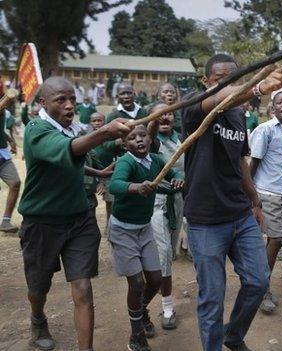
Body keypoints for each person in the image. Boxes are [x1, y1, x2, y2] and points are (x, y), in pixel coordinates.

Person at [180, 54, 282, 351]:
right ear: (206, 82)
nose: (227, 85)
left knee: (258, 281)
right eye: (219, 80)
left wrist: (254, 201)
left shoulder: (238, 116)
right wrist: (255, 87)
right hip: (205, 221)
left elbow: (240, 161)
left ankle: (233, 336)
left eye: (233, 79)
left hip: (240, 214)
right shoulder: (193, 106)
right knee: (212, 298)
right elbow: (219, 98)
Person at [18, 76, 130, 351]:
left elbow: (74, 159)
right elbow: (62, 151)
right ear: (43, 102)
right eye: (61, 100)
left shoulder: (71, 129)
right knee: (39, 286)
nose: (70, 106)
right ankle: (38, 317)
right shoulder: (37, 130)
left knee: (82, 289)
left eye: (73, 101)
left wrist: (97, 171)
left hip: (80, 218)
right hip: (42, 222)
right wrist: (104, 132)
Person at [108, 123, 184, 351]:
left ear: (150, 139)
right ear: (125, 144)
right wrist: (135, 187)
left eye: (143, 135)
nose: (139, 140)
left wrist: (178, 177)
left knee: (156, 279)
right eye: (132, 138)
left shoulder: (157, 160)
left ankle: (140, 312)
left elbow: (174, 171)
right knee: (137, 282)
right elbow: (115, 185)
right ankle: (136, 335)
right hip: (123, 231)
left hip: (144, 229)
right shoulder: (126, 161)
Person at [249, 90, 282, 314]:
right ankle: (262, 290)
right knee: (276, 239)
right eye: (279, 102)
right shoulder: (265, 130)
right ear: (272, 107)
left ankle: (259, 283)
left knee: (276, 240)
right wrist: (252, 198)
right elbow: (253, 164)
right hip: (267, 191)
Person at [149, 103, 185, 330]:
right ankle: (167, 307)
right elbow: (150, 131)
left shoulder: (182, 139)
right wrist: (154, 119)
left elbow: (188, 167)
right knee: (163, 256)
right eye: (159, 114)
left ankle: (146, 294)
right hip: (155, 203)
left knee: (169, 254)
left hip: (178, 200)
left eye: (169, 113)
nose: (165, 118)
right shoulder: (150, 140)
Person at [0, 103, 20, 233]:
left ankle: (6, 221)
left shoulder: (3, 110)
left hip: (2, 156)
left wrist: (10, 140)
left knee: (15, 182)